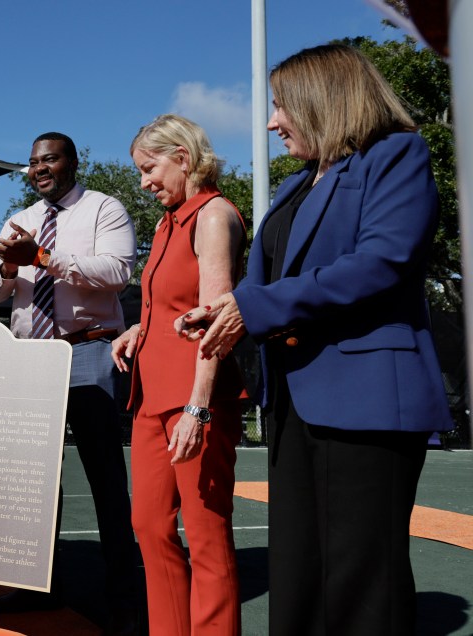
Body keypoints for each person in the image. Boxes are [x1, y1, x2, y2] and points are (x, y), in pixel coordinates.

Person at [176, 44, 453, 636]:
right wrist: (223, 310)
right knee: (297, 573)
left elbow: (381, 261)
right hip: (292, 402)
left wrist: (255, 307)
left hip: (368, 400)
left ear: (324, 101)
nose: (271, 123)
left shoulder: (396, 154)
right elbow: (268, 281)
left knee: (361, 582)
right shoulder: (294, 185)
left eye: (281, 106)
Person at [0, 132, 139, 635]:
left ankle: (124, 595)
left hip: (88, 349)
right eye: (33, 162)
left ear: (72, 162)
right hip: (30, 359)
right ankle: (39, 586)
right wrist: (10, 264)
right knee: (34, 483)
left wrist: (43, 257)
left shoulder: (104, 209)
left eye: (49, 159)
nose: (39, 169)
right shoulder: (21, 218)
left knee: (105, 478)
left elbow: (118, 271)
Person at [111, 114, 245, 636]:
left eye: (149, 168)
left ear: (183, 158)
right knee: (148, 526)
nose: (144, 182)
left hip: (196, 399)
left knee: (207, 536)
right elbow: (171, 303)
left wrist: (198, 408)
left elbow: (214, 321)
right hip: (150, 400)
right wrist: (139, 329)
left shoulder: (212, 216)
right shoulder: (168, 222)